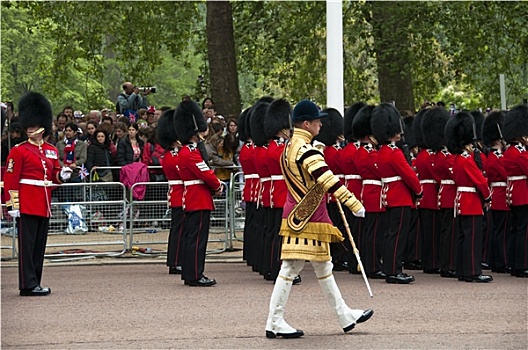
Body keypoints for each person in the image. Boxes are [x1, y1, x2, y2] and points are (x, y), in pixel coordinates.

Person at [265, 99, 372, 339]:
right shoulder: (306, 150)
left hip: (304, 214)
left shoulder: (291, 147)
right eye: (317, 121)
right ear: (306, 123)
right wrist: (353, 203)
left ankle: (344, 314)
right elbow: (328, 180)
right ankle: (274, 321)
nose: (321, 125)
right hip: (307, 218)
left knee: (324, 267)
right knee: (290, 269)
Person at [3, 92, 73, 296]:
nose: (31, 129)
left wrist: (63, 175)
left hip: (44, 202)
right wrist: (13, 205)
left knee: (38, 247)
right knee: (27, 246)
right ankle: (27, 284)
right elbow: (10, 180)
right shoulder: (19, 151)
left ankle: (35, 282)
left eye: (34, 126)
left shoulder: (50, 150)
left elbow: (52, 178)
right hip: (26, 202)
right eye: (29, 126)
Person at [370, 102, 422, 284]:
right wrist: (418, 190)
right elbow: (409, 175)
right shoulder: (394, 152)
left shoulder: (382, 151)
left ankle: (390, 268)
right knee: (398, 236)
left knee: (391, 234)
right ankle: (394, 270)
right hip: (400, 197)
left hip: (388, 196)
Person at [174, 100, 223, 287]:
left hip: (193, 197)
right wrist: (218, 186)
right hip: (199, 198)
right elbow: (206, 174)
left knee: (191, 238)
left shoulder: (185, 151)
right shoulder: (191, 153)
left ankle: (190, 272)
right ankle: (195, 274)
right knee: (197, 240)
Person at [445, 111, 492, 283]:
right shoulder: (466, 159)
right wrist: (487, 197)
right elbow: (480, 181)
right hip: (471, 202)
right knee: (472, 238)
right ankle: (473, 271)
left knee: (463, 238)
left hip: (461, 201)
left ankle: (463, 270)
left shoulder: (458, 158)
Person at [421, 107, 457, 278]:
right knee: (444, 232)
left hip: (437, 194)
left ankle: (438, 263)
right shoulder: (442, 155)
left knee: (439, 232)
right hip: (437, 195)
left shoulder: (436, 154)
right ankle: (445, 264)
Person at [352, 105, 387, 279]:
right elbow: (382, 171)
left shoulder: (362, 151)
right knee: (374, 233)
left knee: (369, 232)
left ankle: (369, 263)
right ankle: (373, 266)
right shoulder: (370, 154)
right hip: (374, 194)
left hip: (368, 192)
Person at [481, 111, 511, 274]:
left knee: (499, 231)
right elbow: (507, 175)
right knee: (502, 232)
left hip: (498, 196)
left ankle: (498, 260)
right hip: (500, 197)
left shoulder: (494, 156)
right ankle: (501, 261)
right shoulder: (496, 157)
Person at [502, 105, 528, 278]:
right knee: (523, 231)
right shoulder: (520, 153)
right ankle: (522, 264)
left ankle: (514, 263)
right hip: (523, 194)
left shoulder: (509, 151)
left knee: (516, 230)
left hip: (514, 194)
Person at [157, 109, 185, 275]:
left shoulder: (174, 154)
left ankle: (176, 260)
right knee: (178, 230)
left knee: (179, 229)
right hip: (178, 195)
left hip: (180, 194)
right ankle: (175, 261)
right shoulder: (172, 156)